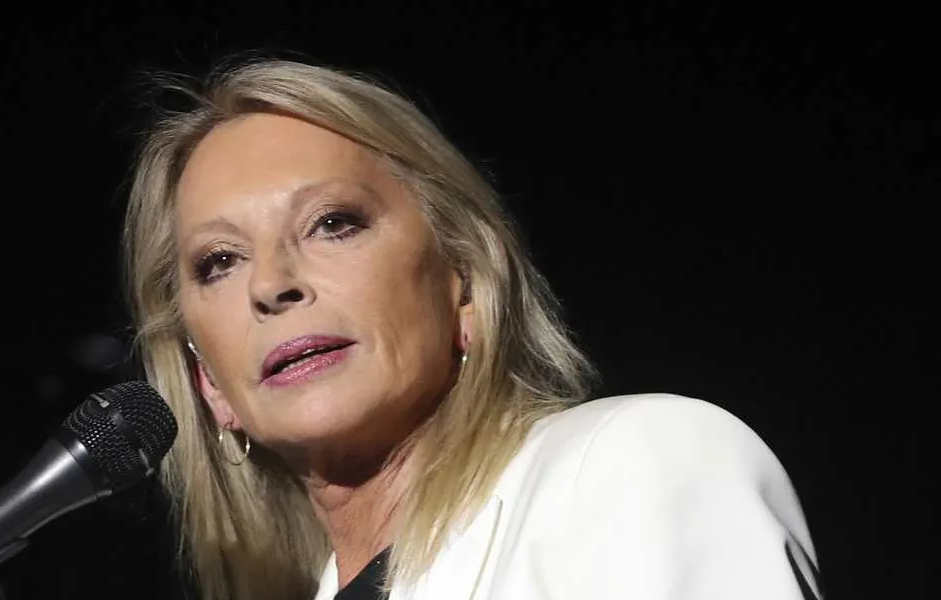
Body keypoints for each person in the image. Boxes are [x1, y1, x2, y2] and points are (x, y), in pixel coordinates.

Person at [122, 58, 822, 600]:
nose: (272, 285)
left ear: (463, 280)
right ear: (207, 379)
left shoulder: (634, 466)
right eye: (220, 261)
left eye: (333, 223)